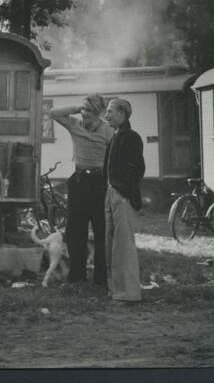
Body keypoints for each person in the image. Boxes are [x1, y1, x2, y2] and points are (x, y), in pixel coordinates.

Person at [50, 94, 112, 285]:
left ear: (99, 112)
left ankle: (101, 277)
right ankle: (77, 276)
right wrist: (79, 108)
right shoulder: (74, 124)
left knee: (101, 230)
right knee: (75, 231)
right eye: (84, 110)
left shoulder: (108, 130)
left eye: (90, 111)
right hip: (79, 181)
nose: (85, 114)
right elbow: (54, 113)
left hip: (100, 182)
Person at [103, 97, 145, 303]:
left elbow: (137, 168)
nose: (107, 115)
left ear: (122, 114)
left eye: (110, 111)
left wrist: (124, 192)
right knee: (111, 244)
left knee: (124, 247)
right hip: (111, 192)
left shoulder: (131, 137)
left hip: (122, 196)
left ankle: (129, 294)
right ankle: (115, 290)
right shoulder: (115, 136)